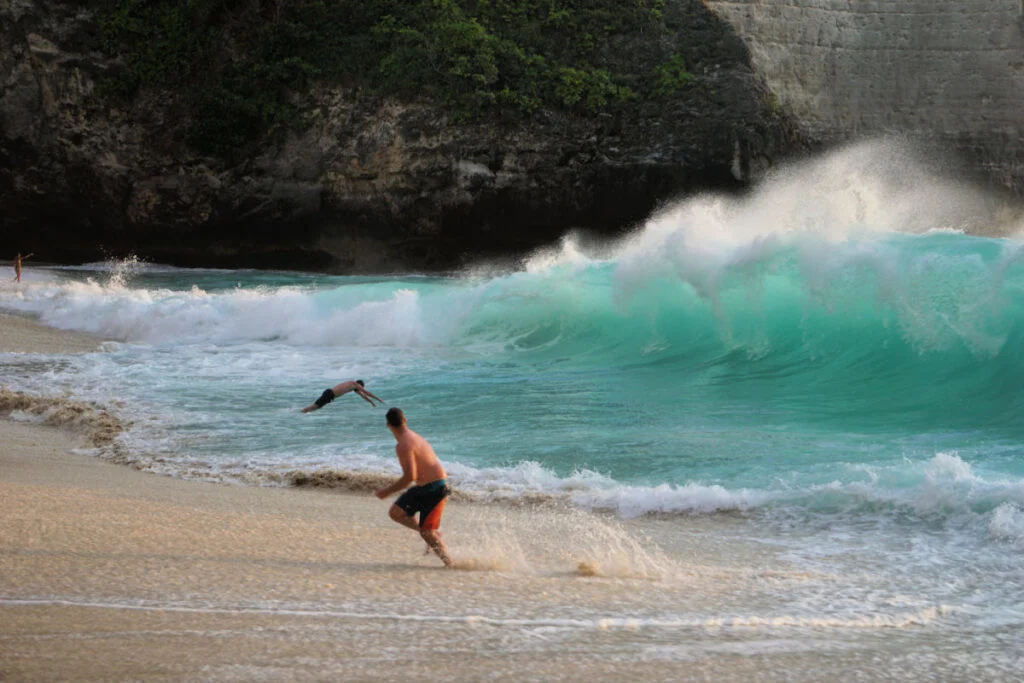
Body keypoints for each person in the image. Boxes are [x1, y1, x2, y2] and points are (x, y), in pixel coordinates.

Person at [375, 407, 453, 568]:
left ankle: (450, 564)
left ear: (388, 425)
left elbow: (410, 477)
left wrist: (386, 491)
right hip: (426, 487)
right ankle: (434, 534)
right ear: (405, 420)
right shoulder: (414, 436)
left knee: (426, 533)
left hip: (436, 488)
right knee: (396, 513)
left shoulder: (404, 445)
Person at [301, 380, 383, 413]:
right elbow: (366, 392)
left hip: (329, 394)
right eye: (361, 387)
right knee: (315, 406)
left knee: (317, 407)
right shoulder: (354, 384)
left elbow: (363, 396)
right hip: (330, 394)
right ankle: (301, 411)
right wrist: (378, 399)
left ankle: (303, 412)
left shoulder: (353, 387)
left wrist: (371, 402)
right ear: (360, 384)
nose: (360, 390)